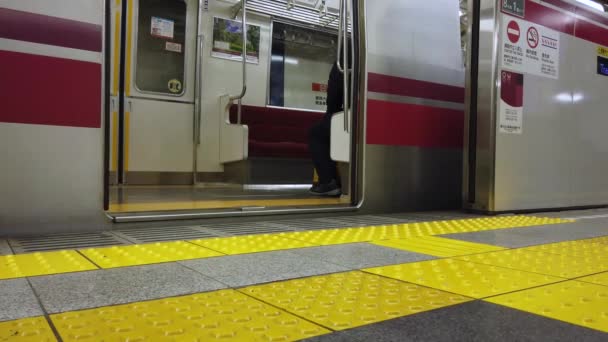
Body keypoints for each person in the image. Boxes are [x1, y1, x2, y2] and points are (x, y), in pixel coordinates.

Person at [309, 44, 351, 196]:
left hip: (351, 117)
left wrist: (331, 114)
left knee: (317, 133)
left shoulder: (344, 61)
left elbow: (334, 96)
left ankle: (328, 182)